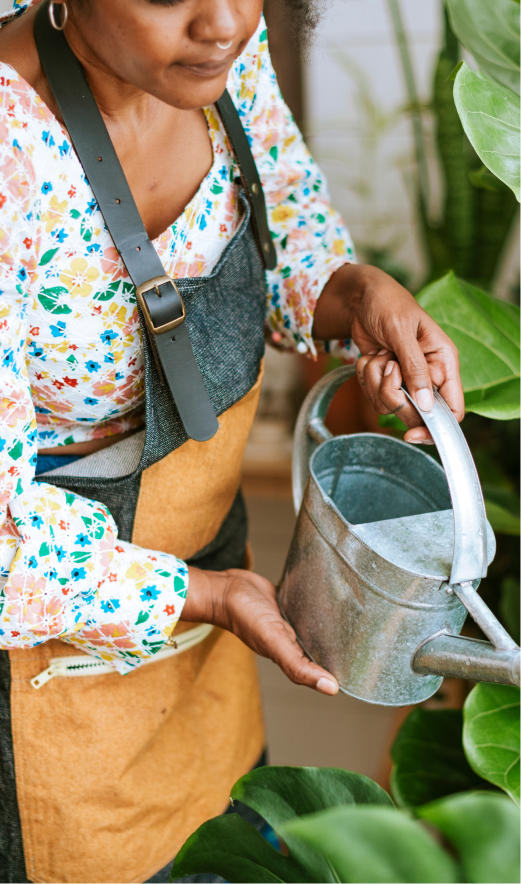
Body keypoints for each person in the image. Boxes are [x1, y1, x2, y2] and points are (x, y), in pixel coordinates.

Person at [0, 0, 464, 881]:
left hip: (204, 614)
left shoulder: (210, 63)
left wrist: (356, 292)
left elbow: (286, 237)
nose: (222, 22)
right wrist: (204, 596)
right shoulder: (11, 157)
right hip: (43, 656)